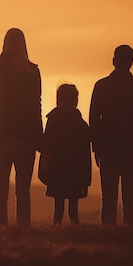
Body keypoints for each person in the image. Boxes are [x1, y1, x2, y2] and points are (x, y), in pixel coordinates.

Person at [0, 28, 42, 225]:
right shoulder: (32, 71)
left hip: (0, 137)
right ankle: (23, 228)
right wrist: (38, 138)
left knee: (1, 188)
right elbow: (36, 107)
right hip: (26, 138)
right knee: (23, 190)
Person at [89, 44, 133, 225]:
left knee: (108, 200)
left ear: (113, 61)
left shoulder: (101, 86)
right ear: (132, 62)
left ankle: (108, 239)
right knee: (130, 200)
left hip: (108, 150)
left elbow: (94, 120)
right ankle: (131, 240)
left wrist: (96, 149)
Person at [38, 84, 91, 225]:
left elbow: (46, 145)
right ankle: (76, 235)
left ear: (58, 99)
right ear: (75, 101)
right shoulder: (82, 125)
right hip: (76, 172)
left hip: (57, 171)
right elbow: (86, 156)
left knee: (58, 210)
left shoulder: (53, 121)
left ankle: (56, 232)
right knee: (73, 211)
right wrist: (86, 180)